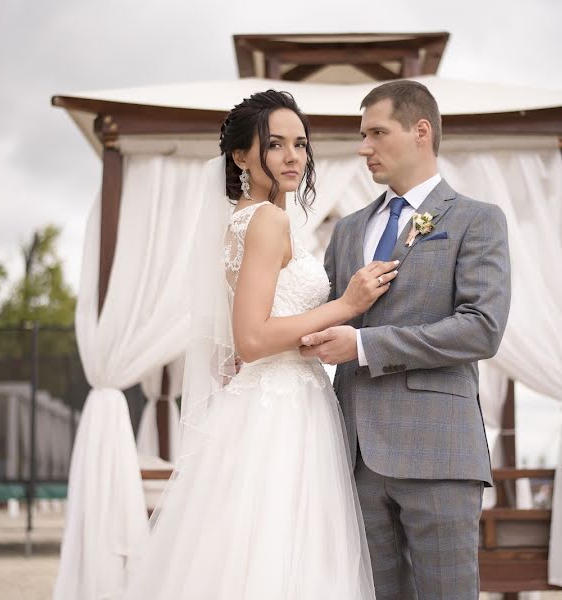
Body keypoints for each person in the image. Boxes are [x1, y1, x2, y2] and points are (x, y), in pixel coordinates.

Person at [123, 90, 395, 600]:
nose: (294, 156)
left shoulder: (247, 219)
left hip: (276, 404)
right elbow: (249, 338)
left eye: (300, 143)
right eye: (275, 144)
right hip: (283, 412)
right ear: (242, 156)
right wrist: (347, 304)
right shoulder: (267, 221)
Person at [301, 80, 512, 600]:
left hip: (439, 452)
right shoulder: (348, 230)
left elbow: (481, 327)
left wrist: (366, 346)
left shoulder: (477, 220)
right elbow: (325, 314)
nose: (363, 147)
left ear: (421, 132)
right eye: (362, 134)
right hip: (353, 456)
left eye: (377, 132)